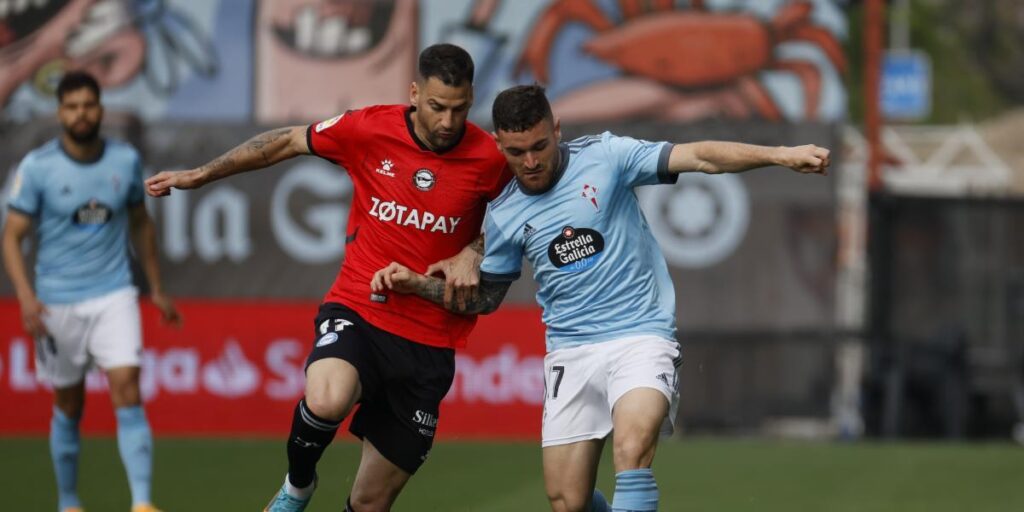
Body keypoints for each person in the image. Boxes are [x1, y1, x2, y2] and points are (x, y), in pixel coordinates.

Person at [371, 84, 831, 512]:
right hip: (570, 352)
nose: (529, 161)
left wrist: (781, 154)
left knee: (632, 450)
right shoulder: (505, 212)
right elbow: (484, 300)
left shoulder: (607, 156)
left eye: (538, 146)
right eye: (515, 152)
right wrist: (419, 286)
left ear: (556, 130)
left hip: (640, 337)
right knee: (567, 500)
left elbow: (701, 157)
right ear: (498, 145)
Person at [144, 44, 509, 512]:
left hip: (429, 341)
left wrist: (474, 249)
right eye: (437, 107)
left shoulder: (490, 159)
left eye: (459, 110)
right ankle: (298, 487)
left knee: (370, 501)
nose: (446, 122)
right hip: (361, 306)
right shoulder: (369, 128)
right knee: (327, 397)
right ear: (415, 93)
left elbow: (521, 215)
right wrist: (201, 174)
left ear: (472, 98)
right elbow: (287, 140)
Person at [2, 71, 181, 512]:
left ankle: (142, 503)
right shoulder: (39, 167)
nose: (81, 113)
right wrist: (25, 296)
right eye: (72, 106)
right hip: (56, 300)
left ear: (100, 108)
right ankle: (68, 502)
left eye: (89, 104)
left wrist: (156, 288)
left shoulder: (124, 160)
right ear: (61, 112)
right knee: (69, 403)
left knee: (128, 387)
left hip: (113, 293)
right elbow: (12, 236)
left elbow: (141, 223)